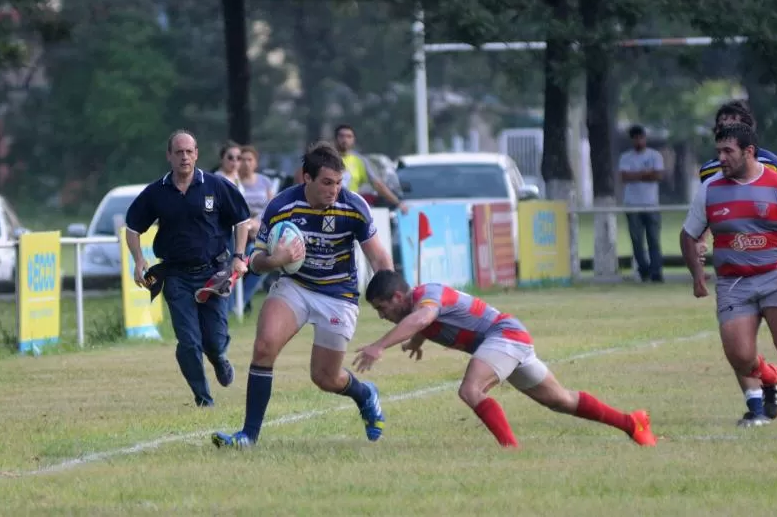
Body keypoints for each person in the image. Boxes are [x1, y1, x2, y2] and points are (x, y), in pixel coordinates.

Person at [212, 141, 395, 449]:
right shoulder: (282, 206)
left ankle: (365, 394)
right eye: (326, 182)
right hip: (296, 286)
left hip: (338, 295)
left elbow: (379, 258)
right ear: (306, 178)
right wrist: (276, 260)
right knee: (264, 346)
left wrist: (388, 295)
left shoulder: (352, 206)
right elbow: (255, 263)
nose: (334, 190)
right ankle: (248, 436)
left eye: (338, 183)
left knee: (325, 378)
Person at [352, 269, 658, 449]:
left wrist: (379, 347)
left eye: (382, 308)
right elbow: (421, 323)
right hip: (507, 341)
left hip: (504, 336)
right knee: (561, 401)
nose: (382, 316)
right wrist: (417, 342)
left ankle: (511, 450)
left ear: (397, 298)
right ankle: (631, 423)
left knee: (471, 390)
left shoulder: (428, 295)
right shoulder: (416, 307)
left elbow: (423, 318)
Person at [679, 123, 777, 439]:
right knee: (740, 357)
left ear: (748, 152)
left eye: (727, 151)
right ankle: (769, 376)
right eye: (718, 151)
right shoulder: (710, 190)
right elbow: (688, 235)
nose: (720, 158)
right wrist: (697, 276)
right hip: (734, 283)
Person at [125, 130, 251, 408]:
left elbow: (242, 220)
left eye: (189, 151)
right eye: (178, 152)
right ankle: (203, 398)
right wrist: (138, 260)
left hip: (214, 274)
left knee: (214, 341)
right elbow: (132, 226)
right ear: (169, 156)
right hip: (177, 276)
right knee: (189, 342)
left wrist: (239, 256)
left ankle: (218, 358)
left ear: (196, 154)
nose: (184, 157)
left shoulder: (216, 186)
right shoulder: (156, 192)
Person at [697, 100, 777, 421]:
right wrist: (700, 240)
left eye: (733, 122)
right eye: (721, 123)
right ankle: (757, 402)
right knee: (737, 343)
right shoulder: (709, 170)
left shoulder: (773, 165)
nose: (725, 127)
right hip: (733, 264)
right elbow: (706, 211)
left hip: (774, 259)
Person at [618, 125, 665, 282]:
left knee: (654, 239)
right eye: (636, 138)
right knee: (637, 240)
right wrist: (646, 173)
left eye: (641, 137)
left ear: (645, 138)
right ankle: (643, 270)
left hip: (651, 204)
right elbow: (624, 177)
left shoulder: (655, 156)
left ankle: (656, 272)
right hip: (632, 205)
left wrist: (636, 175)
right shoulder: (625, 157)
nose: (639, 141)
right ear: (632, 139)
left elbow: (658, 175)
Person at [237, 144, 275, 313]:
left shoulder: (264, 181)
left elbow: (272, 208)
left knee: (264, 260)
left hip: (261, 231)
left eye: (249, 160)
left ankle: (242, 301)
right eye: (242, 159)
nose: (245, 163)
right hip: (239, 231)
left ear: (256, 163)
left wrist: (257, 224)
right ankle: (236, 304)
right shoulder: (233, 181)